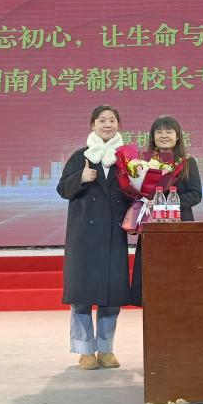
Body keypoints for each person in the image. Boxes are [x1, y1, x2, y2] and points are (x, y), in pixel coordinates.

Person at [56, 105, 130, 370]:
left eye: (112, 120)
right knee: (82, 295)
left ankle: (106, 349)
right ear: (93, 125)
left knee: (112, 295)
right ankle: (85, 350)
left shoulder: (126, 159)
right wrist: (81, 177)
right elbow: (62, 189)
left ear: (118, 125)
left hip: (113, 235)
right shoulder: (81, 156)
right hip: (84, 237)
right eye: (102, 120)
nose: (107, 124)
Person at [130, 115, 202, 306]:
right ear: (152, 137)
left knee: (180, 277)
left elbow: (195, 195)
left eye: (169, 131)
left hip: (180, 228)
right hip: (152, 227)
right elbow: (136, 193)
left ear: (177, 137)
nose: (164, 135)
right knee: (153, 275)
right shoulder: (143, 163)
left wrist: (164, 204)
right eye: (159, 132)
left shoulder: (187, 162)